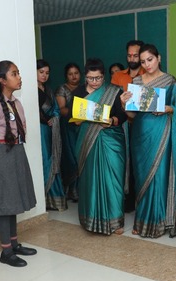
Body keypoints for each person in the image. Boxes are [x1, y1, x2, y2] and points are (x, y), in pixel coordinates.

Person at [120, 44, 176, 238]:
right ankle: (142, 219)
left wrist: (167, 109)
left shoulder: (169, 81)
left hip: (161, 132)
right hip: (140, 133)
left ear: (158, 58)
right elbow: (132, 114)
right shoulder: (137, 81)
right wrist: (124, 104)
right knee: (141, 177)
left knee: (157, 176)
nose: (147, 64)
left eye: (150, 59)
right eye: (143, 61)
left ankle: (157, 221)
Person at [0, 60, 37, 268]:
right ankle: (6, 251)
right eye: (14, 74)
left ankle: (14, 244)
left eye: (18, 73)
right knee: (4, 204)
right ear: (3, 80)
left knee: (14, 200)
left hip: (17, 153)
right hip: (1, 155)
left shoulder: (17, 104)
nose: (19, 77)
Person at [71, 58, 128, 235]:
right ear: (85, 77)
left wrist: (111, 121)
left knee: (114, 179)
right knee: (90, 179)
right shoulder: (79, 92)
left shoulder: (114, 91)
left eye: (98, 78)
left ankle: (116, 221)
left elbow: (122, 116)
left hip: (111, 140)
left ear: (104, 77)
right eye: (90, 78)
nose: (94, 82)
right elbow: (75, 119)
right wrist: (80, 119)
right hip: (88, 141)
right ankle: (91, 218)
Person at [112, 40, 145, 213]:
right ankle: (127, 198)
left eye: (136, 55)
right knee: (124, 163)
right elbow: (112, 98)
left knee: (139, 163)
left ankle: (142, 199)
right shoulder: (118, 76)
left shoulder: (147, 74)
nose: (132, 58)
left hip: (142, 125)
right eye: (129, 55)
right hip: (122, 125)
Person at [37, 59, 67, 211]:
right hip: (40, 131)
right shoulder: (32, 90)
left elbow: (56, 108)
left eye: (47, 73)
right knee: (45, 160)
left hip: (50, 130)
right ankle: (45, 199)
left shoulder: (48, 90)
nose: (44, 76)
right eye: (41, 72)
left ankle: (54, 199)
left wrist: (54, 118)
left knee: (53, 158)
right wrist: (45, 120)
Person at [55, 63, 82, 202]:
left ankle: (80, 189)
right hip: (69, 127)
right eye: (70, 74)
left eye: (76, 73)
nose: (74, 76)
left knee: (81, 156)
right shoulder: (62, 89)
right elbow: (62, 109)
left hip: (82, 126)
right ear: (66, 75)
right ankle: (72, 189)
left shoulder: (84, 88)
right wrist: (77, 113)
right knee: (71, 158)